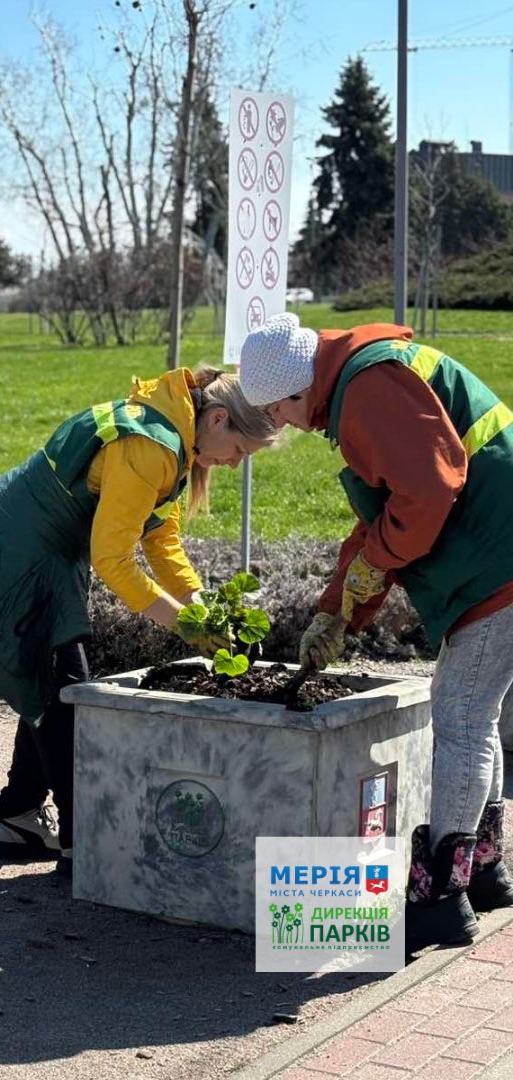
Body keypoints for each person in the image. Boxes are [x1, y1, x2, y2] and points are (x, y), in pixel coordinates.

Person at [0, 367, 278, 875]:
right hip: (9, 555)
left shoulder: (172, 433)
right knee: (68, 694)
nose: (236, 464)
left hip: (41, 553)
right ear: (218, 418)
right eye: (241, 451)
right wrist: (187, 627)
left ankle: (17, 816)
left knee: (52, 685)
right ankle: (84, 844)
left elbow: (161, 541)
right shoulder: (154, 444)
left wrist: (203, 608)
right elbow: (115, 562)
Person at [239, 312, 513, 951]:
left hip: (499, 561)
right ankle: (488, 870)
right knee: (483, 713)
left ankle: (442, 896)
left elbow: (426, 492)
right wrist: (338, 607)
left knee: (463, 717)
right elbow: (387, 515)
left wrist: (369, 572)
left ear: (294, 387)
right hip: (497, 551)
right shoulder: (361, 379)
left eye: (275, 410)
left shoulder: (367, 388)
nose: (279, 423)